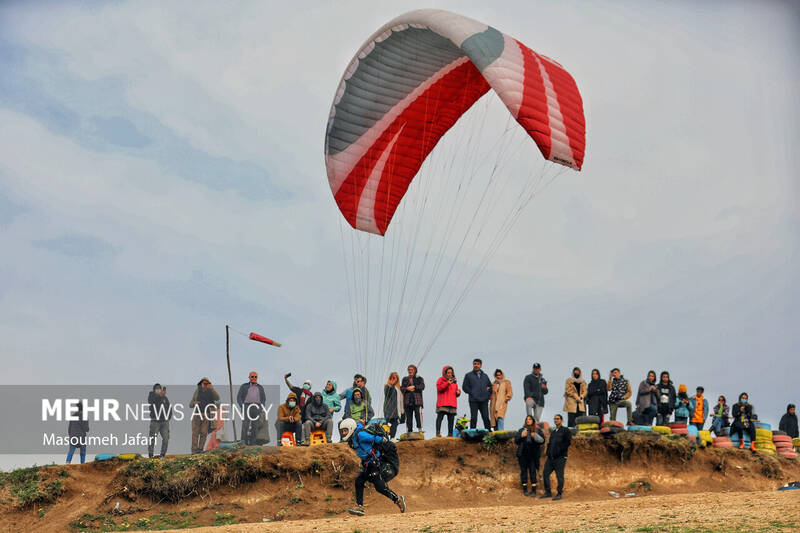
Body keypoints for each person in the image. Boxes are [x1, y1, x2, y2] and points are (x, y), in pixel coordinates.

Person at [340, 418, 406, 516]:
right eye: (342, 431)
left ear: (350, 428)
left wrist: (383, 440)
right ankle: (359, 507)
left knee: (380, 487)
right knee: (359, 481)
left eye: (345, 430)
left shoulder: (360, 435)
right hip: (368, 464)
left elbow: (374, 438)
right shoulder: (352, 439)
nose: (344, 433)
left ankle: (398, 500)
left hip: (374, 463)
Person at [540, 414, 571, 501]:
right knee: (545, 473)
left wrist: (559, 452)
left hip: (560, 457)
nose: (556, 420)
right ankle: (548, 492)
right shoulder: (553, 432)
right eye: (554, 419)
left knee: (559, 476)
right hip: (551, 458)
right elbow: (550, 444)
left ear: (561, 420)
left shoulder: (566, 430)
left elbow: (567, 443)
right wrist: (548, 453)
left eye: (557, 419)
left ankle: (559, 493)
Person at [515, 415, 545, 496]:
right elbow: (516, 440)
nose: (528, 420)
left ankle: (534, 491)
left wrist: (534, 435)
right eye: (527, 419)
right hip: (523, 455)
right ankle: (525, 490)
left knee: (532, 472)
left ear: (533, 421)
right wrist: (522, 436)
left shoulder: (537, 430)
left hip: (533, 455)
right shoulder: (521, 430)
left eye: (530, 419)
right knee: (523, 472)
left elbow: (542, 441)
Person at [190, 377, 219, 453]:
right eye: (204, 383)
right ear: (201, 383)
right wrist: (194, 403)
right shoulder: (197, 391)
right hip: (197, 414)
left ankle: (200, 449)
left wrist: (212, 388)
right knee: (195, 433)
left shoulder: (210, 391)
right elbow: (191, 403)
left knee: (204, 432)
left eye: (207, 383)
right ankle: (194, 450)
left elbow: (217, 398)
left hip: (207, 414)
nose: (205, 385)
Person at [237, 371, 266, 445]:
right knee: (245, 425)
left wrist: (261, 408)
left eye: (255, 377)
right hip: (247, 406)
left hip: (256, 407)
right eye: (252, 376)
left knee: (255, 425)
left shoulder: (260, 387)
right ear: (249, 377)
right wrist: (242, 406)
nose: (254, 378)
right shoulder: (244, 386)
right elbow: (239, 397)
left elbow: (263, 399)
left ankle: (253, 443)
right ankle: (243, 442)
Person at [462, 358, 492, 429]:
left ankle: (489, 432)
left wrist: (487, 393)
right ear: (473, 365)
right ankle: (472, 433)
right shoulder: (468, 375)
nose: (476, 365)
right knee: (474, 417)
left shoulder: (485, 376)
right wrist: (472, 392)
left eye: (478, 364)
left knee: (486, 417)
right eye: (475, 364)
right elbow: (464, 387)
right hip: (473, 400)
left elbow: (490, 386)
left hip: (484, 400)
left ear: (481, 365)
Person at [436, 366, 460, 437]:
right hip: (443, 402)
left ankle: (450, 434)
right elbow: (439, 388)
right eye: (448, 373)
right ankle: (438, 433)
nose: (449, 374)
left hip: (452, 403)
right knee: (440, 418)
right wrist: (447, 383)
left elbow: (455, 393)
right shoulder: (440, 380)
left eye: (451, 373)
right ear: (444, 373)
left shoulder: (454, 382)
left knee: (451, 419)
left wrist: (458, 392)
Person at [147, 383, 170, 458]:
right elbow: (152, 402)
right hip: (155, 421)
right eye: (156, 388)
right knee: (152, 439)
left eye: (159, 388)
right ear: (154, 390)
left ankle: (162, 455)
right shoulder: (151, 396)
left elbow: (169, 408)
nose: (158, 390)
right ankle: (150, 455)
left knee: (166, 439)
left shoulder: (165, 398)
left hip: (164, 422)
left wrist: (168, 417)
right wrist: (160, 396)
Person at [401, 365, 425, 433]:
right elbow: (401, 388)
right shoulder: (405, 379)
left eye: (412, 369)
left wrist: (414, 387)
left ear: (415, 370)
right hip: (407, 401)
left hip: (417, 400)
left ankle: (420, 429)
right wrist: (407, 388)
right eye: (409, 369)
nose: (410, 371)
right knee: (408, 416)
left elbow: (422, 386)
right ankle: (409, 431)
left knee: (418, 414)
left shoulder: (419, 378)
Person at [383, 372, 404, 439]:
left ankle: (392, 438)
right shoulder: (387, 386)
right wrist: (391, 385)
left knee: (395, 424)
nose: (393, 379)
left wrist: (402, 411)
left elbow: (401, 400)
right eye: (392, 377)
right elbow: (388, 394)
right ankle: (387, 438)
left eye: (395, 378)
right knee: (389, 424)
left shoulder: (399, 388)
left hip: (398, 410)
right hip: (390, 409)